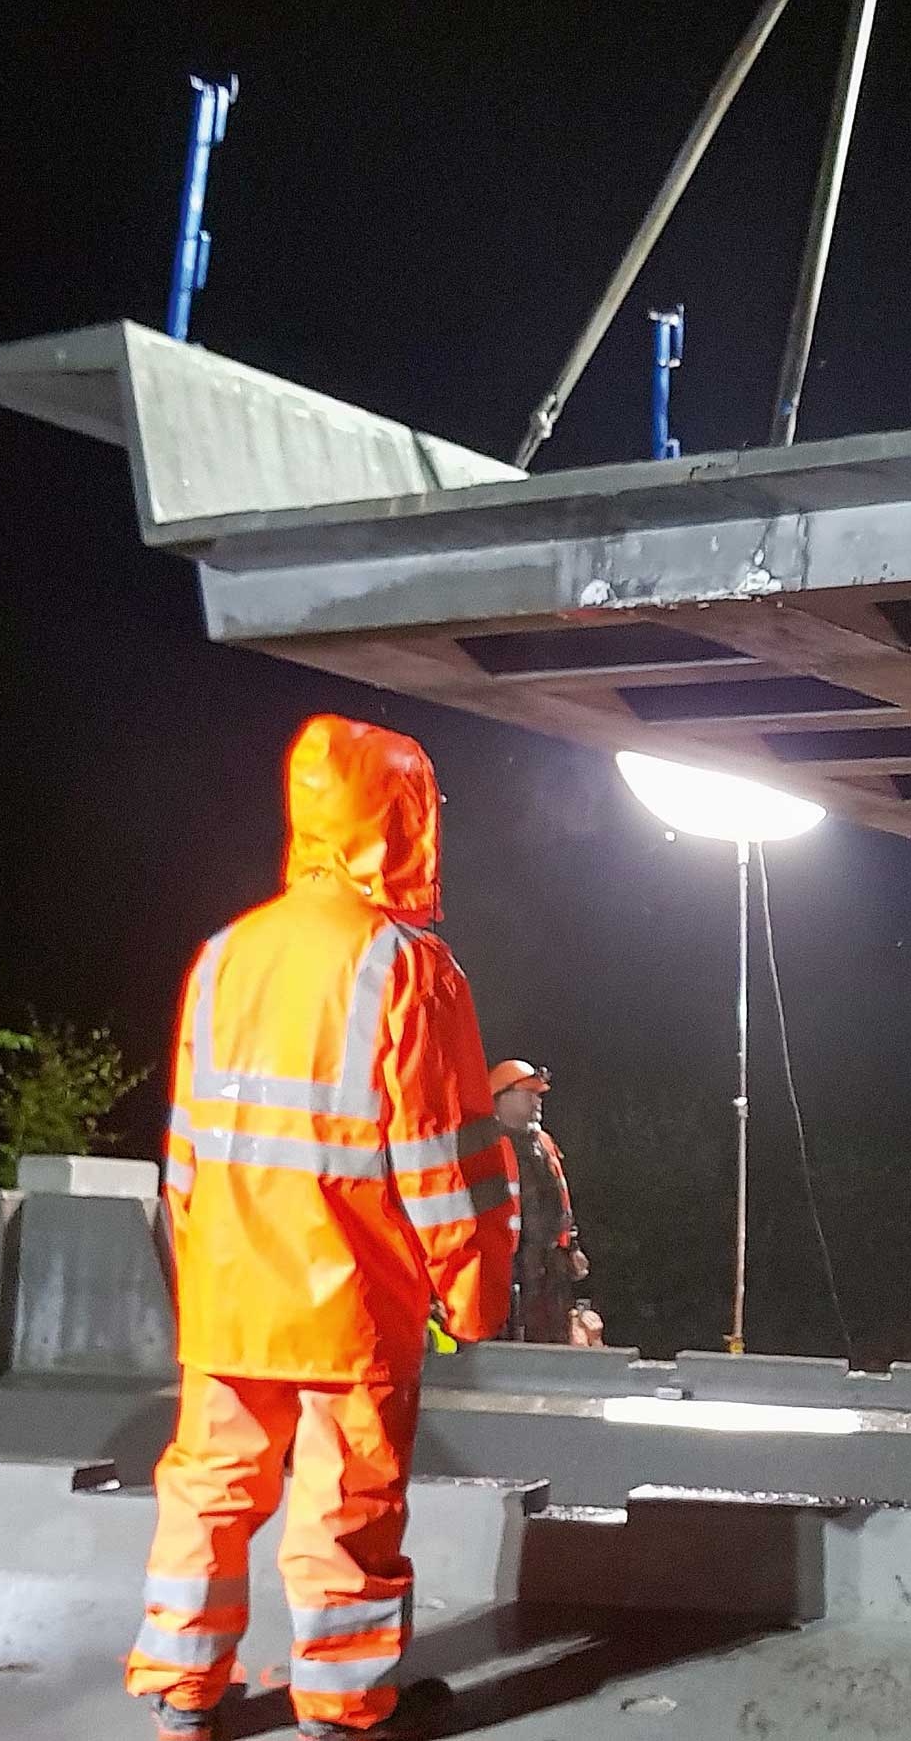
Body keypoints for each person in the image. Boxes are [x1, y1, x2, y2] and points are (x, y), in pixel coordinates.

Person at [126, 715, 517, 1741]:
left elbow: (187, 1155)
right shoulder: (406, 969)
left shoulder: (223, 955)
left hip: (226, 1296)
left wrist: (198, 1281)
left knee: (208, 1486)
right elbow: (446, 1164)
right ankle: (341, 1708)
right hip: (347, 1300)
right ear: (403, 818)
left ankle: (180, 1690)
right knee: (343, 1500)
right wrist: (475, 1296)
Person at [489, 1060, 590, 1345]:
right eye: (529, 1093)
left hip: (548, 1270)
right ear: (501, 1097)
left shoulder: (543, 1143)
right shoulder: (483, 1146)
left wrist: (571, 1247)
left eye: (539, 1094)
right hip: (507, 1269)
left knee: (551, 1339)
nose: (537, 1101)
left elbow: (559, 1205)